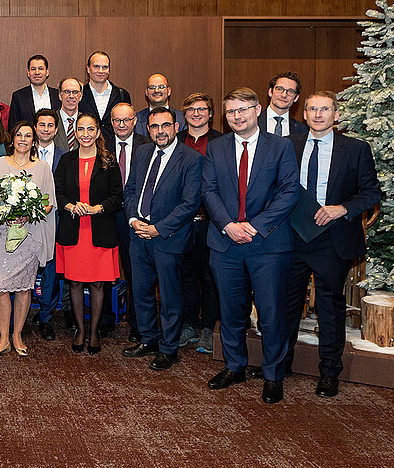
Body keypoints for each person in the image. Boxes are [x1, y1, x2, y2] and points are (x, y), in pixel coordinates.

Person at [202, 87, 299, 404]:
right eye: (231, 111)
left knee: (271, 314)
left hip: (268, 244)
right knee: (231, 312)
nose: (237, 116)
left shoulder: (280, 147)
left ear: (258, 109)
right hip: (226, 242)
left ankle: (273, 375)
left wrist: (254, 226)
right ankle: (234, 366)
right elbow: (209, 191)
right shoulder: (216, 148)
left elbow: (288, 193)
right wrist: (229, 226)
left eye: (243, 109)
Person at [284, 91, 380, 398]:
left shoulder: (355, 149)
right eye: (312, 109)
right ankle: (280, 364)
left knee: (329, 306)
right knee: (286, 305)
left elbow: (371, 193)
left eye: (325, 109)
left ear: (335, 115)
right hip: (293, 236)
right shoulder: (289, 145)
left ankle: (329, 372)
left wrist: (343, 209)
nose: (318, 114)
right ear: (305, 114)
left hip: (332, 239)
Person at [121, 108, 203, 371]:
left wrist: (158, 228)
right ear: (147, 129)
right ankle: (148, 339)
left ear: (176, 126)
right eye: (154, 126)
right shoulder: (142, 152)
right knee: (141, 292)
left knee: (169, 296)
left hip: (169, 238)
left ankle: (169, 348)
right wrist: (134, 220)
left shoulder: (190, 158)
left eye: (165, 125)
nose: (160, 131)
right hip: (138, 235)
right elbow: (131, 189)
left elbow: (190, 204)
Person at [0, 122, 57, 358]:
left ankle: (17, 335)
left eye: (28, 136)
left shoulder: (43, 167)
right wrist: (3, 213)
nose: (23, 139)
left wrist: (28, 213)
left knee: (25, 288)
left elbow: (48, 203)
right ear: (11, 139)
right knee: (1, 286)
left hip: (30, 234)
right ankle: (3, 338)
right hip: (3, 233)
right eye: (19, 135)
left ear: (33, 141)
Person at [53, 113, 122, 354]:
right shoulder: (66, 160)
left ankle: (94, 332)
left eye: (90, 129)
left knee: (97, 285)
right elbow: (57, 193)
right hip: (73, 231)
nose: (85, 134)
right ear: (76, 133)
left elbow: (117, 196)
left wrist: (97, 208)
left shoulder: (108, 162)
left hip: (99, 231)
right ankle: (80, 330)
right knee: (74, 283)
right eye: (81, 129)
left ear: (97, 132)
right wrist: (71, 206)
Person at [177, 93, 224, 352]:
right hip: (182, 221)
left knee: (209, 275)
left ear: (210, 113)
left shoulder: (222, 141)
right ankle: (188, 325)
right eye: (191, 109)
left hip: (211, 220)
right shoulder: (176, 141)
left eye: (202, 109)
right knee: (185, 274)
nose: (196, 113)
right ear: (184, 114)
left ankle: (208, 326)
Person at [103, 102, 151, 342]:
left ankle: (137, 323)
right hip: (107, 215)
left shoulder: (147, 144)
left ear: (134, 120)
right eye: (116, 121)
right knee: (103, 270)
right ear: (111, 123)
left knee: (135, 272)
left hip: (135, 217)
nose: (121, 125)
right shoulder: (101, 144)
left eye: (126, 120)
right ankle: (104, 320)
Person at [30, 109, 67, 341]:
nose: (45, 129)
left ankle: (46, 316)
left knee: (51, 269)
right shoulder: (23, 152)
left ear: (56, 129)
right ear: (35, 127)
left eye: (50, 125)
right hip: (25, 221)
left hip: (54, 219)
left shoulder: (65, 155)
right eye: (41, 124)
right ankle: (18, 316)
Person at [79, 51, 131, 128]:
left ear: (109, 70)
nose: (101, 71)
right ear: (88, 69)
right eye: (96, 66)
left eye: (105, 67)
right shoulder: (80, 95)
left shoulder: (122, 95)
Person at [9, 54, 60, 128]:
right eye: (33, 69)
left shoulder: (58, 95)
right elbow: (13, 126)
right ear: (28, 73)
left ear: (47, 72)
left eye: (41, 68)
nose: (37, 72)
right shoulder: (18, 96)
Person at [259, 71, 307, 137]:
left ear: (296, 98)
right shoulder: (253, 121)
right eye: (279, 89)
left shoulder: (301, 129)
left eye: (290, 91)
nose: (284, 95)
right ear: (270, 92)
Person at [54, 77, 83, 152]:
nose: (71, 96)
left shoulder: (87, 121)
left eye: (75, 92)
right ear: (60, 95)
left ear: (80, 96)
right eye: (67, 92)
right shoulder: (52, 121)